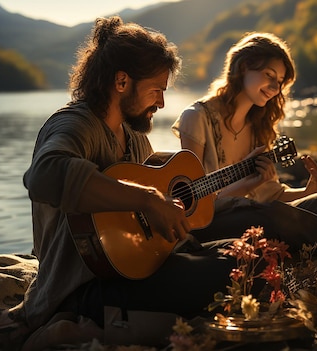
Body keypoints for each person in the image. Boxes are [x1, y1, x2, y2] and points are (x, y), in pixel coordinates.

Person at [22, 16, 238, 347]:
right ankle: (73, 328)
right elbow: (44, 175)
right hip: (80, 288)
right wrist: (148, 200)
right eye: (156, 90)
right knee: (226, 276)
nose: (162, 103)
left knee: (243, 255)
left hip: (134, 272)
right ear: (121, 81)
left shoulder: (137, 142)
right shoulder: (75, 125)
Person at [171, 32, 317, 256]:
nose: (275, 88)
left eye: (280, 82)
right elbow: (191, 203)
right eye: (269, 75)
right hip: (218, 222)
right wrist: (246, 185)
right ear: (244, 66)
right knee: (274, 218)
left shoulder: (259, 125)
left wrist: (307, 192)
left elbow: (272, 194)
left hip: (264, 213)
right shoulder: (197, 117)